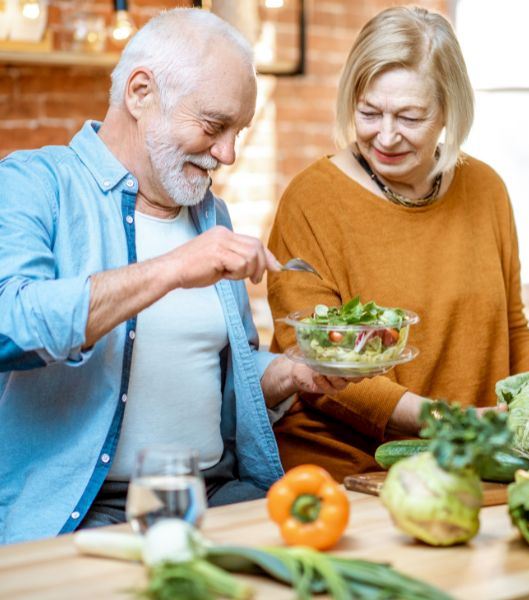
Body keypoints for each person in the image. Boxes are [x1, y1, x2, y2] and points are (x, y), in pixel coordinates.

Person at [0, 9, 351, 545]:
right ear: (141, 93)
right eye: (214, 126)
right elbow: (9, 325)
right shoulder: (33, 184)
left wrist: (292, 373)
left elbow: (209, 375)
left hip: (219, 494)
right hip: (90, 511)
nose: (227, 154)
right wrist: (171, 270)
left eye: (238, 132)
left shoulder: (212, 217)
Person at [266, 6, 529, 481]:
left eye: (410, 116)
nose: (385, 135)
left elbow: (512, 327)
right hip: (347, 472)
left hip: (468, 463)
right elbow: (315, 362)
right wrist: (449, 421)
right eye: (369, 112)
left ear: (449, 110)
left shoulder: (486, 189)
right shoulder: (311, 200)